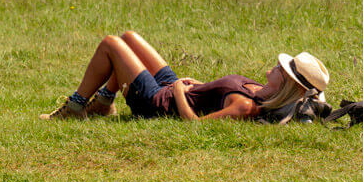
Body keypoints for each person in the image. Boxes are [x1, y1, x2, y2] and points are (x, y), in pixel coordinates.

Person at [39, 31, 329, 121]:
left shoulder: (247, 106)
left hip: (158, 102)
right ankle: (103, 102)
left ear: (289, 85)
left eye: (283, 70)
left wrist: (179, 90)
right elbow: (217, 94)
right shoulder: (259, 90)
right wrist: (198, 85)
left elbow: (196, 125)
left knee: (111, 45)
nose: (277, 67)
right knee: (129, 38)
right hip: (173, 88)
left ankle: (76, 107)